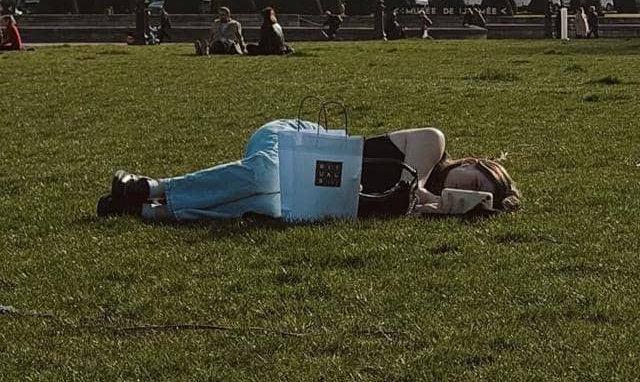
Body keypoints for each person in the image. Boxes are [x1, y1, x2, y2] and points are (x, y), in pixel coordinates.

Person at [98, 124, 520, 222]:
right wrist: (424, 199)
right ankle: (151, 186)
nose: (469, 188)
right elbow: (413, 184)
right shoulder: (434, 144)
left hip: (304, 185)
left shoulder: (419, 209)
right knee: (267, 174)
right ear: (469, 163)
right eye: (478, 180)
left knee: (273, 205)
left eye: (479, 195)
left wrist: (438, 211)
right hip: (296, 139)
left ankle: (146, 209)